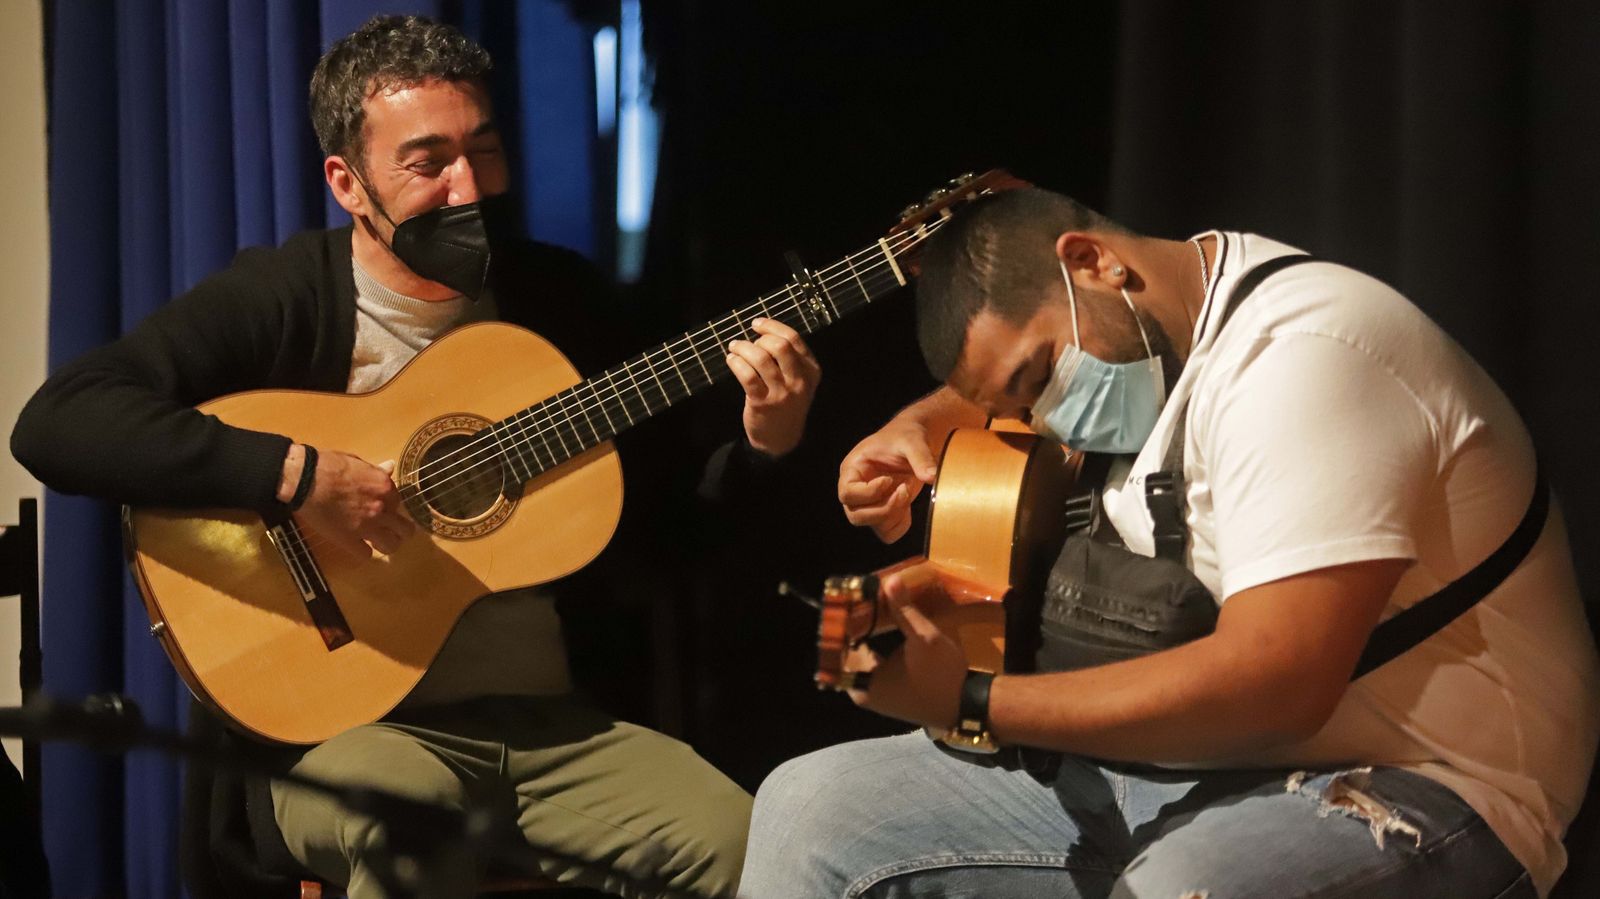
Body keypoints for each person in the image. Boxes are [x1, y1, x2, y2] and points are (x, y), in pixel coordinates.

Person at [10, 15, 820, 899]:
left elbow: (667, 535)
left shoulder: (558, 300)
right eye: (429, 162)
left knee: (743, 839)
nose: (468, 186)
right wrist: (297, 476)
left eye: (485, 148)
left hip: (552, 727)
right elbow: (59, 421)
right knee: (414, 819)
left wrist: (763, 443)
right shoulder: (285, 299)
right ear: (349, 184)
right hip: (344, 739)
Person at [738, 187, 1600, 898]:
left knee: (1180, 887)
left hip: (1426, 778)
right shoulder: (1143, 336)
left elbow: (1279, 681)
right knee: (811, 808)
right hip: (1195, 763)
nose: (1042, 417)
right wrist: (916, 430)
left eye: (1038, 381)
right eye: (1021, 399)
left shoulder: (1307, 355)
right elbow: (994, 390)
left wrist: (972, 700)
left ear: (1092, 262)